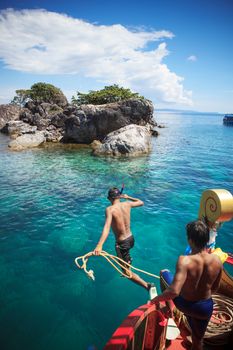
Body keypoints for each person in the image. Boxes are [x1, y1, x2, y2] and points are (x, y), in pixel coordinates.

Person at [151, 219, 223, 350]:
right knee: (198, 342)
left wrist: (156, 299)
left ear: (190, 240)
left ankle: (169, 311)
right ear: (207, 239)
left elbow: (174, 292)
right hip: (205, 308)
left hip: (185, 304)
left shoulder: (184, 260)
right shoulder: (217, 260)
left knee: (164, 273)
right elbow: (215, 288)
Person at [93, 187, 153, 292]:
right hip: (130, 239)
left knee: (126, 273)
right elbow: (141, 202)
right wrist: (128, 197)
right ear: (119, 196)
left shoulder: (110, 209)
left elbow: (107, 227)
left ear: (109, 198)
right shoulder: (127, 204)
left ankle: (147, 286)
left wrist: (99, 245)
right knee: (126, 260)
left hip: (122, 243)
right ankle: (128, 261)